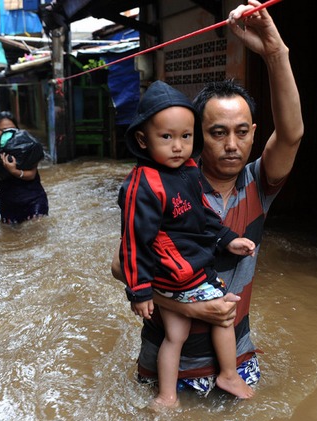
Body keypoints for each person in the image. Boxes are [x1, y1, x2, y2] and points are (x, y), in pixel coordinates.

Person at [112, 0, 304, 396]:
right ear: (198, 136)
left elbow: (291, 134)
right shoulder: (166, 185)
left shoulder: (258, 185)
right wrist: (190, 308)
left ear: (253, 134)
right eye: (218, 132)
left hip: (237, 356)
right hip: (165, 363)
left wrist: (275, 53)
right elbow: (120, 266)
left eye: (242, 132)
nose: (232, 144)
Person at [119, 80, 257, 409]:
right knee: (224, 312)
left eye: (186, 136)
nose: (178, 147)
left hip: (176, 273)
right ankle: (228, 374)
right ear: (143, 139)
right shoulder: (143, 185)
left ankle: (167, 397)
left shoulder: (188, 170)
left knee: (175, 335)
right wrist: (139, 292)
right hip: (179, 272)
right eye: (167, 137)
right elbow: (133, 243)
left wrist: (228, 239)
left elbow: (204, 215)